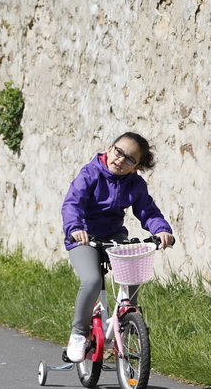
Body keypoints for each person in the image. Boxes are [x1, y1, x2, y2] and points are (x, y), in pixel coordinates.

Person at [61, 132, 174, 362]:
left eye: (130, 159)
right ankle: (79, 334)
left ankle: (126, 325)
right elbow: (73, 203)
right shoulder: (90, 174)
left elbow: (147, 211)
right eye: (118, 152)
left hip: (113, 236)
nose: (121, 160)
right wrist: (75, 228)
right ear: (110, 149)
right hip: (84, 237)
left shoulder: (136, 184)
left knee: (132, 273)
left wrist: (161, 230)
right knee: (92, 280)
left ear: (136, 167)